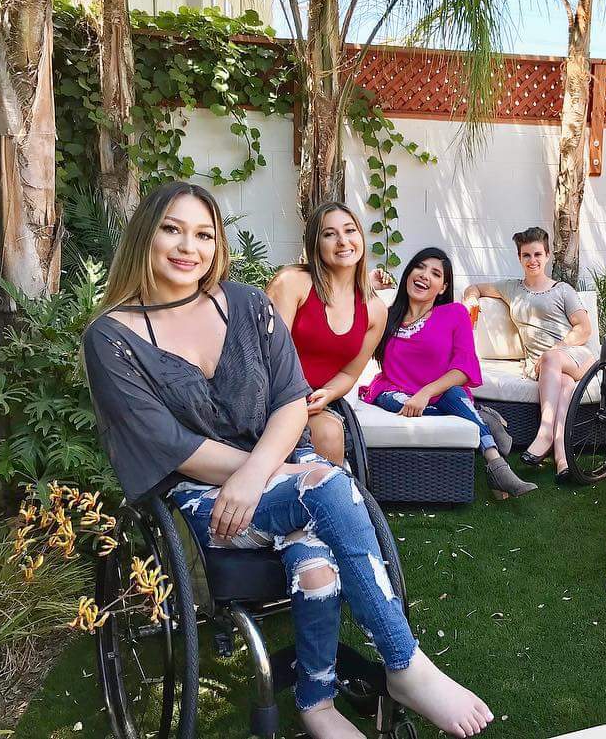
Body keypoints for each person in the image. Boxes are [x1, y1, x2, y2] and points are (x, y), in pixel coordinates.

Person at [82, 182, 493, 739]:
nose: (188, 247)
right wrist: (263, 475)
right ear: (144, 236)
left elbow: (289, 399)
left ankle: (316, 703)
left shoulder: (247, 305)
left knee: (316, 564)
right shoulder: (112, 338)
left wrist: (261, 471)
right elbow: (167, 444)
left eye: (204, 234)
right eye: (172, 230)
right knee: (328, 485)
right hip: (204, 493)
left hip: (277, 467)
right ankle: (404, 664)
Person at [360, 247, 537, 500]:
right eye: (420, 267)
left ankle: (495, 463)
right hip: (395, 390)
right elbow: (349, 324)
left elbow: (464, 368)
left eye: (435, 273)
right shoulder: (387, 316)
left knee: (453, 393)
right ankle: (481, 417)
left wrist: (426, 392)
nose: (425, 275)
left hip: (443, 391)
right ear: (408, 273)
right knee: (396, 403)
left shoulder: (454, 313)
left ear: (443, 287)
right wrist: (369, 286)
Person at [462, 227, 596, 482]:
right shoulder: (512, 288)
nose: (532, 260)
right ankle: (562, 459)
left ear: (547, 256)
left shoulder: (562, 290)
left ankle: (544, 434)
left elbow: (584, 329)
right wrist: (471, 299)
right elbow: (474, 287)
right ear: (519, 257)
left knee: (552, 360)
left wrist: (553, 351)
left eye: (537, 254)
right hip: (545, 367)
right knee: (565, 386)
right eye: (526, 255)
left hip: (574, 356)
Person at [267, 202, 388, 465]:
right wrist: (292, 402)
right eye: (329, 234)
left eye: (350, 230)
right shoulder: (293, 282)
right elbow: (268, 356)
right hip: (268, 396)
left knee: (330, 433)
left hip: (312, 403)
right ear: (316, 245)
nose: (343, 241)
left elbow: (349, 374)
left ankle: (326, 489)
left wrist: (328, 394)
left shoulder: (376, 310)